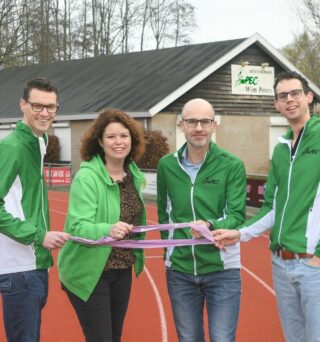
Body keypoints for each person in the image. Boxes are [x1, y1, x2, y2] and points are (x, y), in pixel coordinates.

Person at [213, 71, 320, 342]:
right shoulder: (281, 149)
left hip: (313, 265)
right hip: (281, 264)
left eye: (295, 93)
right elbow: (271, 207)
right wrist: (239, 234)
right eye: (282, 96)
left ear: (309, 97)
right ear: (276, 104)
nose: (290, 100)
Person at [157, 98, 247, 342]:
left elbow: (237, 215)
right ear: (181, 124)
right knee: (188, 339)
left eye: (205, 121)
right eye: (192, 121)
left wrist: (211, 226)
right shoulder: (166, 166)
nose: (199, 127)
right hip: (180, 272)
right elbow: (164, 214)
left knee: (222, 338)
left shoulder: (232, 165)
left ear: (214, 125)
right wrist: (171, 254)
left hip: (222, 270)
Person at [58, 109, 146, 342]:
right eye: (111, 136)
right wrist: (107, 229)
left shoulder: (133, 175)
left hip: (121, 268)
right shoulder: (87, 177)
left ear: (132, 139)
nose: (119, 142)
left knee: (114, 336)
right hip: (89, 271)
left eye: (124, 136)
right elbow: (77, 226)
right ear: (99, 141)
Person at [0, 78, 69, 342]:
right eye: (37, 105)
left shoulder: (38, 143)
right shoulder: (12, 147)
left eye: (51, 107)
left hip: (34, 263)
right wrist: (38, 236)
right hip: (19, 267)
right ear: (23, 105)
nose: (45, 113)